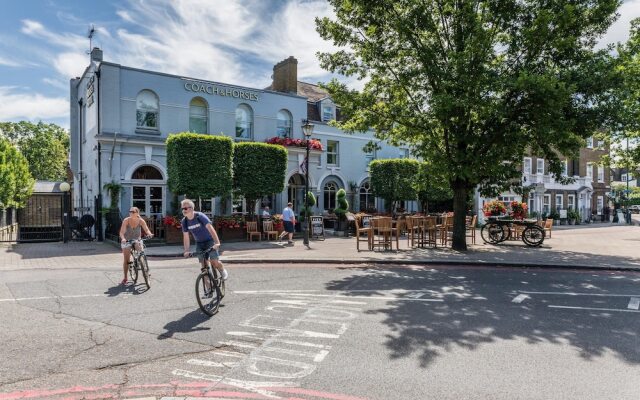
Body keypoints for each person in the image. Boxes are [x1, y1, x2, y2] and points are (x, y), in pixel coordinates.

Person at [180, 199, 228, 281]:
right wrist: (186, 251)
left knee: (214, 261)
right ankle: (208, 290)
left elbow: (210, 228)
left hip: (210, 241)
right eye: (182, 209)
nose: (183, 210)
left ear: (191, 208)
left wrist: (217, 243)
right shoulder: (184, 221)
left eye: (185, 208)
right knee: (203, 267)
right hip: (199, 243)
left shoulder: (200, 216)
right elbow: (186, 237)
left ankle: (222, 270)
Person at [119, 207, 153, 285]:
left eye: (133, 212)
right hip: (127, 240)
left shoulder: (141, 221)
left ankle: (145, 269)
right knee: (126, 259)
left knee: (141, 252)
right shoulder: (126, 220)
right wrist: (123, 239)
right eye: (130, 211)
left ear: (137, 213)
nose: (131, 213)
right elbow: (121, 232)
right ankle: (125, 278)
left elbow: (146, 229)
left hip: (136, 239)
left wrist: (149, 234)